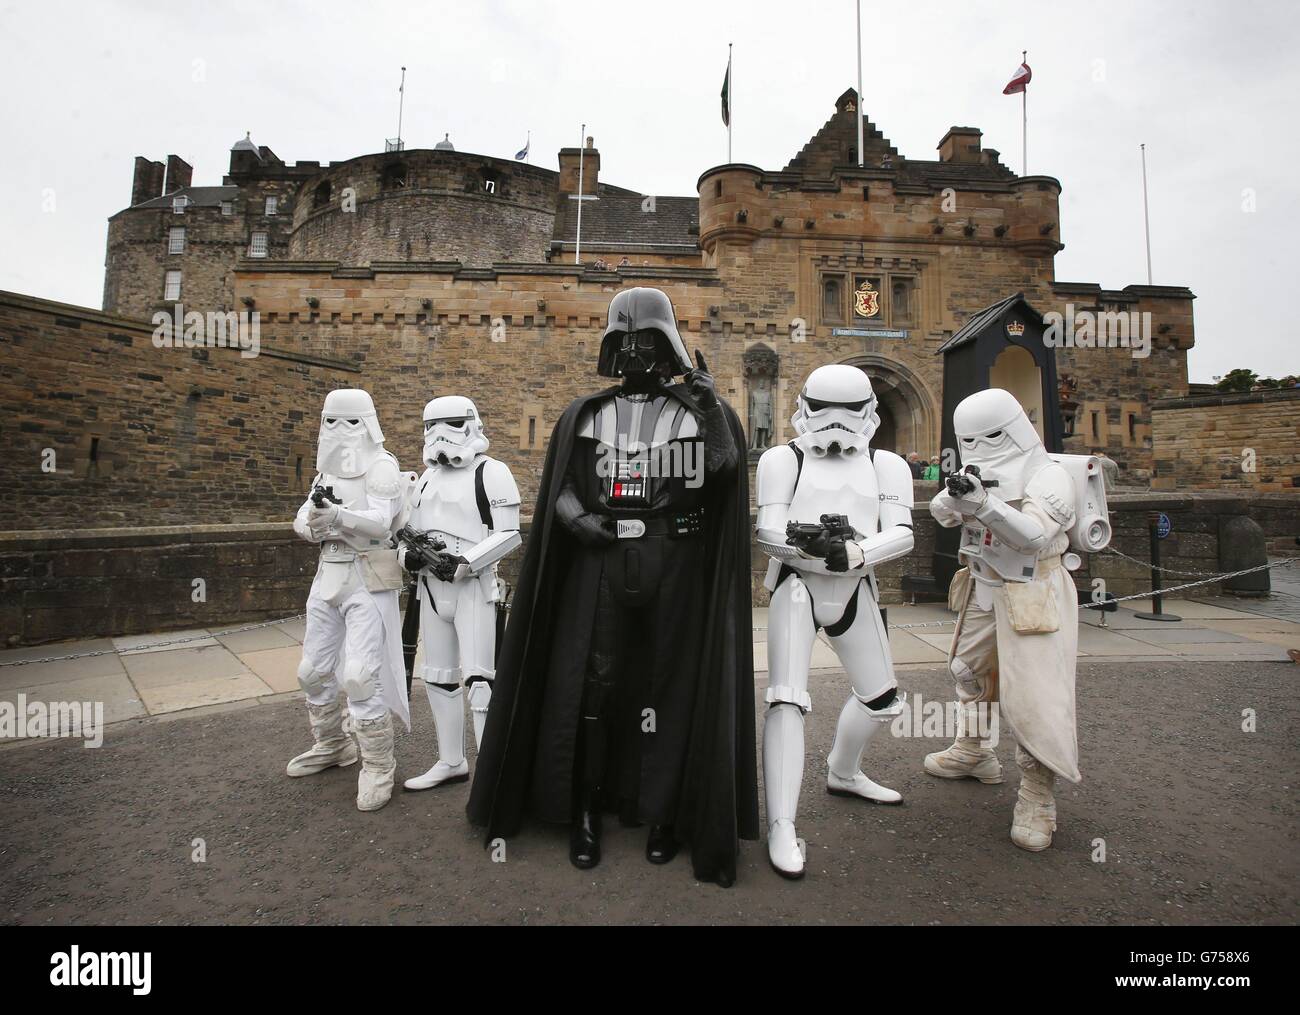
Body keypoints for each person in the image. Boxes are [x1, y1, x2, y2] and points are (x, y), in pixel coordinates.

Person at [467, 287, 758, 886]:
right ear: (608, 346)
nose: (633, 354)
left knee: (667, 685)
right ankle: (585, 812)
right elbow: (561, 488)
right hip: (600, 562)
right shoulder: (585, 415)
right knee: (593, 690)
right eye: (622, 343)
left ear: (666, 343)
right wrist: (574, 518)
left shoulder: (701, 411)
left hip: (674, 560)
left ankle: (662, 815)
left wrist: (707, 408)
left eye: (645, 342)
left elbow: (725, 475)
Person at [755, 365, 914, 878]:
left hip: (855, 586)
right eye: (825, 409)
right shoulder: (784, 458)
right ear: (805, 407)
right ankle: (782, 823)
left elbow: (903, 531)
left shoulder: (886, 464)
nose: (837, 423)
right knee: (786, 699)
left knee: (883, 700)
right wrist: (804, 546)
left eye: (850, 411)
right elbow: (768, 528)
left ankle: (842, 771)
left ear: (868, 411)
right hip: (797, 587)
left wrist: (855, 553)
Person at [925, 388, 1081, 850]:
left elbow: (1033, 536)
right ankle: (974, 752)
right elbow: (941, 509)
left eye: (988, 437)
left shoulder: (1048, 475)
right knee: (968, 671)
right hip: (983, 584)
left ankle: (1037, 795)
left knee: (1034, 696)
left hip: (1034, 591)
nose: (980, 448)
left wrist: (985, 505)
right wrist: (959, 499)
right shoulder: (979, 473)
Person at [288, 389, 410, 812]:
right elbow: (301, 519)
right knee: (312, 670)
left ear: (367, 422)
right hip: (329, 573)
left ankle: (378, 765)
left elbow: (379, 523)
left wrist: (337, 518)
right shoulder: (327, 471)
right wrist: (318, 523)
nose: (341, 430)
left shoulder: (381, 466)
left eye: (350, 421)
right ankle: (332, 744)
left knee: (360, 675)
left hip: (367, 576)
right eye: (332, 421)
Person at [398, 396, 520, 791]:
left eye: (448, 424)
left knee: (480, 680)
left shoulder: (493, 472)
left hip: (474, 588)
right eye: (430, 426)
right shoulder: (426, 478)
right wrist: (408, 559)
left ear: (470, 423)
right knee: (438, 676)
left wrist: (465, 562)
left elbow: (509, 534)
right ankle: (451, 760)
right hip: (432, 589)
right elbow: (406, 534)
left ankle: (491, 768)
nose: (438, 434)